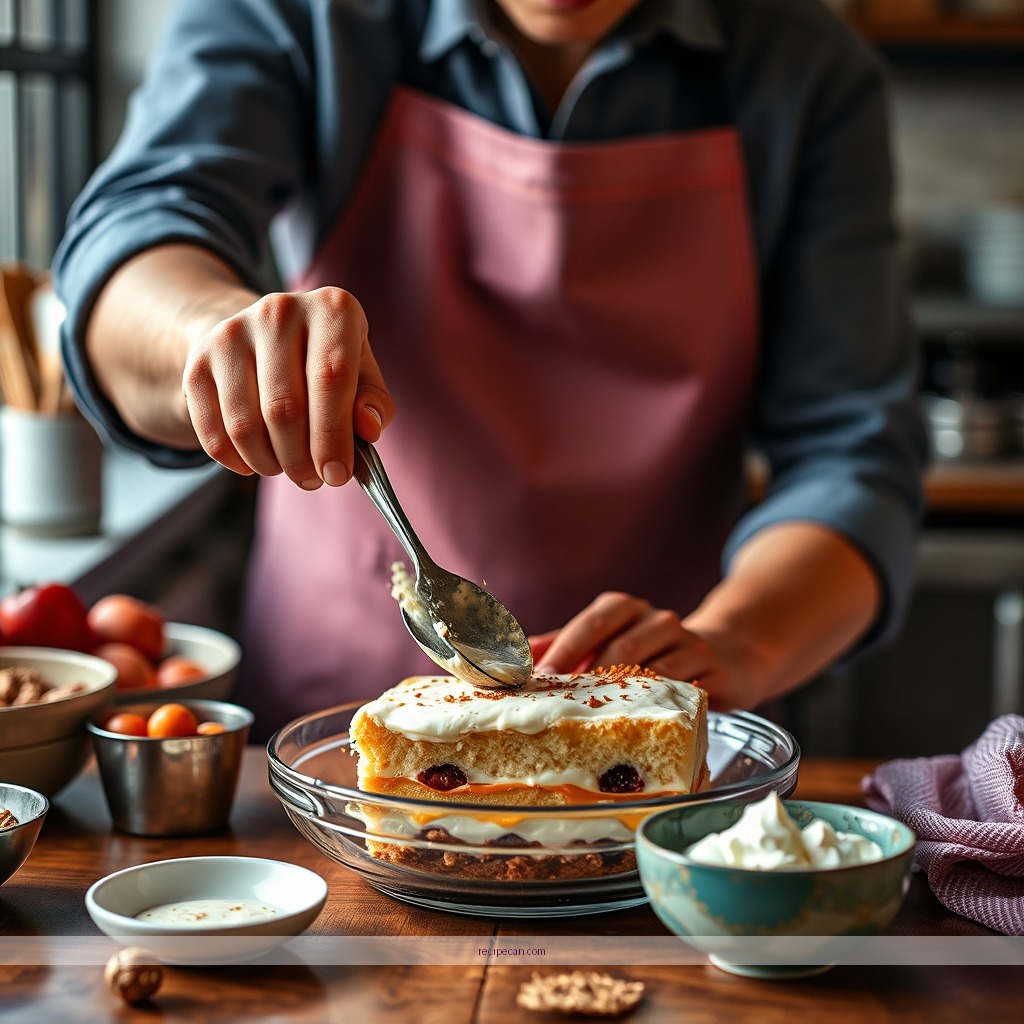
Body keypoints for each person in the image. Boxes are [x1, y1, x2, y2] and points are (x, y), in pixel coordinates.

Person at [54, 0, 927, 739]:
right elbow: (135, 240)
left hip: (665, 757)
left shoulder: (807, 71)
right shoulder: (306, 17)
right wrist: (213, 333)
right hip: (329, 722)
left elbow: (852, 457)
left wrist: (735, 644)